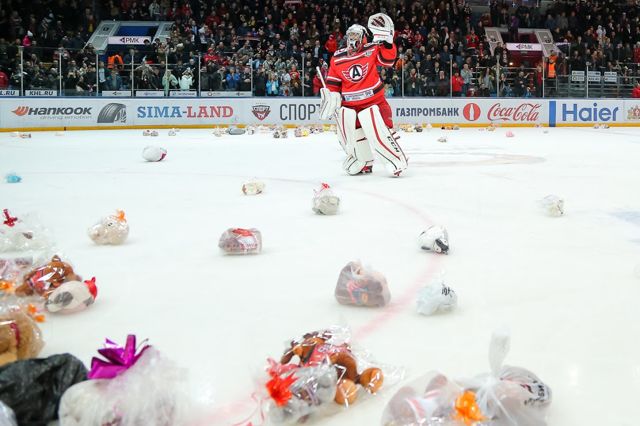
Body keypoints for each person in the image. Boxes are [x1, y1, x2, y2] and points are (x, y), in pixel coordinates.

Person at [319, 13, 408, 177]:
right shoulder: (337, 57)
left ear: (363, 38)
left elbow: (388, 61)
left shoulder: (371, 49)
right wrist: (332, 97)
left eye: (356, 35)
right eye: (351, 35)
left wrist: (388, 43)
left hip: (374, 102)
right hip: (350, 105)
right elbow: (333, 83)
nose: (353, 39)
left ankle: (395, 159)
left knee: (380, 131)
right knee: (352, 134)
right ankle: (363, 161)